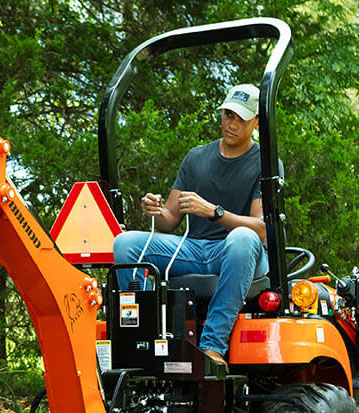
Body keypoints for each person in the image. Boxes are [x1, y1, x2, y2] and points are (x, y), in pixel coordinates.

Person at [113, 83, 268, 368]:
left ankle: (211, 346)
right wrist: (156, 210)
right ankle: (143, 335)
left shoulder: (264, 162)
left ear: (257, 122)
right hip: (194, 250)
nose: (231, 124)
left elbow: (260, 229)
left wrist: (214, 212)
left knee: (243, 238)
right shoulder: (197, 158)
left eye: (240, 118)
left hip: (238, 252)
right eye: (227, 115)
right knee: (125, 244)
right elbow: (170, 220)